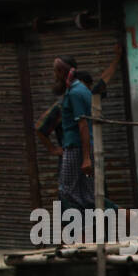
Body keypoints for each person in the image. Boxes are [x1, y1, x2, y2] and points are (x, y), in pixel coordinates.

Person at [51, 55, 96, 220]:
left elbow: (83, 124)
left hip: (75, 148)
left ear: (63, 71)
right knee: (87, 193)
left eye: (56, 70)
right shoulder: (81, 89)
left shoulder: (75, 93)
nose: (54, 74)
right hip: (81, 147)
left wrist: (86, 158)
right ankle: (91, 233)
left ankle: (79, 231)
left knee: (67, 191)